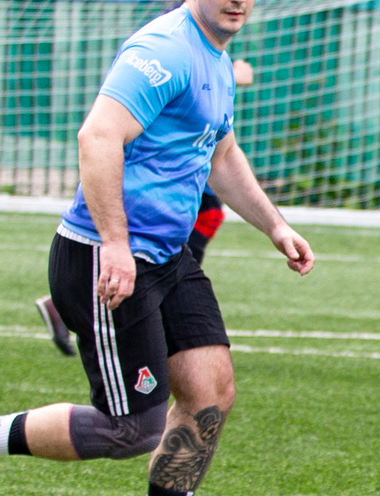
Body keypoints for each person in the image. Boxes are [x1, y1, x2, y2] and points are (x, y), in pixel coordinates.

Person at [0, 0, 314, 496]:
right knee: (130, 428)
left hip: (166, 256)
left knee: (210, 393)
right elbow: (98, 136)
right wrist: (115, 244)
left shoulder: (217, 59)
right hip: (104, 257)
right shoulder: (163, 50)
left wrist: (275, 226)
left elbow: (220, 154)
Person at [36, 58, 252, 354]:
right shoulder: (166, 48)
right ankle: (91, 299)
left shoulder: (207, 51)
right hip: (164, 167)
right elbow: (180, 79)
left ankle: (165, 298)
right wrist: (233, 75)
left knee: (204, 218)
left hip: (186, 163)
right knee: (201, 218)